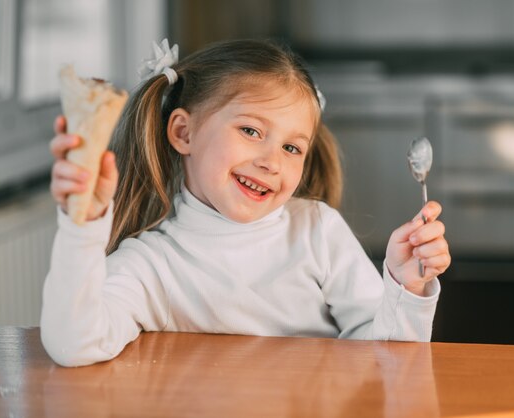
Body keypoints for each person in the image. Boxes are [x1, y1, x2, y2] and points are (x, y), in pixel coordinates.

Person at [42, 38, 451, 367]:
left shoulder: (318, 231)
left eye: (292, 147)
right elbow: (75, 344)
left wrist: (405, 287)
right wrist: (82, 224)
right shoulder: (151, 263)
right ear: (184, 133)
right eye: (252, 131)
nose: (271, 161)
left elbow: (388, 360)